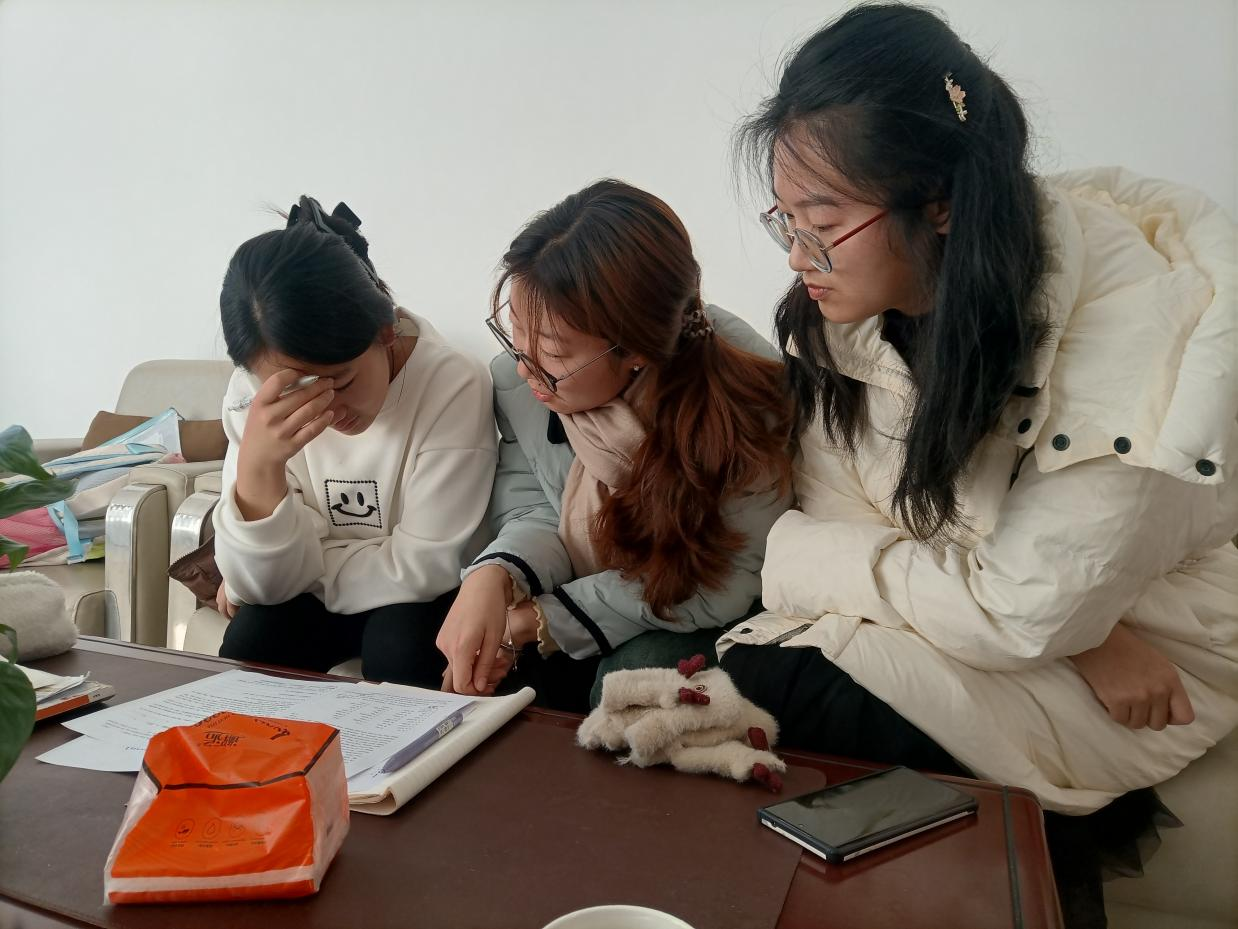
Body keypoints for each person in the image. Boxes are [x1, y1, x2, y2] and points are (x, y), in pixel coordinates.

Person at [719, 5, 1238, 925]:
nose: (797, 255)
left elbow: (1022, 605)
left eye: (822, 222)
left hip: (1162, 643)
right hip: (1061, 629)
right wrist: (1081, 631)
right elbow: (847, 510)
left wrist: (798, 555)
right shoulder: (845, 313)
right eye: (784, 218)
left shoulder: (1136, 343)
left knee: (777, 682)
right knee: (756, 681)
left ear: (941, 202)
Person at [436, 179, 795, 711]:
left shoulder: (745, 401)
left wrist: (541, 620)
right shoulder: (519, 385)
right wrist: (496, 574)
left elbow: (725, 581)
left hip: (710, 608)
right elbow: (537, 505)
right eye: (515, 333)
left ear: (635, 350)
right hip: (596, 592)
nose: (524, 365)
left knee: (628, 678)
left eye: (552, 351)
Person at [212, 196, 497, 687]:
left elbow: (425, 566)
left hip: (426, 599)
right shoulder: (253, 399)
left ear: (385, 332)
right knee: (253, 638)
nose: (326, 411)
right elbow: (260, 588)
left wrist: (298, 564)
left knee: (400, 644)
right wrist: (259, 468)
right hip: (343, 590)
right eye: (296, 393)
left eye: (340, 382)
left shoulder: (451, 383)